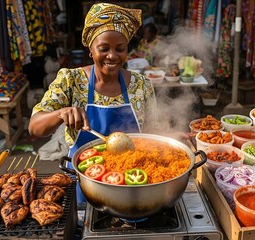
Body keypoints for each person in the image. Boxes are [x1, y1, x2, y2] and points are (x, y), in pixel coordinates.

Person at [28, 3, 160, 202]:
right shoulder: (70, 80)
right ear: (90, 48)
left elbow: (154, 135)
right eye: (104, 48)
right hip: (86, 183)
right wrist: (61, 113)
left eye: (120, 49)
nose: (112, 56)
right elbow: (35, 128)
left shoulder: (141, 85)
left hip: (132, 181)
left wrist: (174, 137)